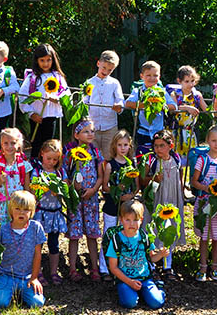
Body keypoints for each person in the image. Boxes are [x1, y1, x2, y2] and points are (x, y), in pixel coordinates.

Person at [105, 200, 168, 309]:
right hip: (125, 279)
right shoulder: (116, 240)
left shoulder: (144, 237)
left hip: (144, 278)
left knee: (157, 303)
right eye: (127, 220)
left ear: (141, 220)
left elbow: (152, 258)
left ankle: (155, 290)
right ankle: (131, 292)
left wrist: (161, 254)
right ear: (121, 219)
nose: (131, 224)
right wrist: (130, 282)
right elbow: (113, 267)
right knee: (130, 303)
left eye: (135, 220)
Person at [141, 129, 186, 281]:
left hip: (172, 198)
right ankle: (152, 266)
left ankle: (168, 266)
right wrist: (153, 179)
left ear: (170, 146)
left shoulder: (176, 159)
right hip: (156, 200)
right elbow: (142, 180)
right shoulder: (152, 161)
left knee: (169, 230)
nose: (158, 149)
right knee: (153, 228)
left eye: (162, 145)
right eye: (156, 146)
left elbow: (179, 177)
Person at [191, 125, 217, 282]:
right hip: (205, 202)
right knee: (204, 235)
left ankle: (214, 266)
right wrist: (207, 188)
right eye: (214, 140)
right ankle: (203, 266)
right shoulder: (202, 160)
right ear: (208, 141)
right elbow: (194, 182)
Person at [0, 190, 46, 309]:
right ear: (11, 210)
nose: (21, 212)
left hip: (26, 276)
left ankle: (21, 291)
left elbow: (37, 255)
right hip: (5, 274)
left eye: (26, 210)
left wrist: (34, 277)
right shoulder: (3, 230)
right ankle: (3, 291)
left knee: (37, 303)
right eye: (17, 209)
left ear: (32, 211)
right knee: (1, 303)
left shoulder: (35, 228)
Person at [63, 119, 103, 281]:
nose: (90, 134)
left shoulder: (95, 153)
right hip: (75, 200)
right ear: (76, 134)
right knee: (74, 234)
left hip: (91, 198)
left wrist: (93, 189)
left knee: (92, 234)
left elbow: (100, 176)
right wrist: (72, 188)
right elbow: (65, 173)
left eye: (92, 131)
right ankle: (72, 268)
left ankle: (94, 267)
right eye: (86, 131)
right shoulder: (70, 153)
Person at [98, 130, 137, 282]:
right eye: (119, 145)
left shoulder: (132, 164)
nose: (122, 148)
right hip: (112, 205)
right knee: (109, 234)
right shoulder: (110, 165)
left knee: (125, 235)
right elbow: (105, 186)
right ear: (114, 146)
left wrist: (131, 195)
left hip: (127, 207)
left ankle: (122, 266)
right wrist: (116, 191)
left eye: (125, 145)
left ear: (130, 146)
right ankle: (103, 267)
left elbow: (136, 186)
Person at [19, 43, 69, 159]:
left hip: (51, 116)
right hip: (37, 117)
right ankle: (35, 169)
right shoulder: (32, 77)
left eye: (48, 60)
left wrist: (58, 99)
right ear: (37, 61)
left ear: (53, 60)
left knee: (49, 145)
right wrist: (31, 113)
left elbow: (66, 93)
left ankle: (47, 168)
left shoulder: (57, 76)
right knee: (36, 145)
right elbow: (22, 96)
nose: (46, 64)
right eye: (42, 60)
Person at [32, 139, 68, 286]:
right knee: (38, 243)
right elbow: (33, 190)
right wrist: (43, 188)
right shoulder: (37, 171)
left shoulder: (60, 172)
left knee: (54, 243)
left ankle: (53, 272)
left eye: (55, 159)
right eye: (49, 158)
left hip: (55, 212)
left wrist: (59, 190)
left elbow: (66, 188)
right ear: (42, 154)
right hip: (41, 212)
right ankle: (37, 272)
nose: (51, 162)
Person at [125, 60, 176, 151]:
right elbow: (128, 103)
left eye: (155, 75)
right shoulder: (138, 91)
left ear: (159, 77)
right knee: (143, 157)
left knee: (159, 157)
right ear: (142, 76)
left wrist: (160, 105)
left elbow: (174, 106)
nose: (152, 78)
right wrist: (145, 105)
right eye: (148, 75)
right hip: (143, 132)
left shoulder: (162, 92)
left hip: (159, 133)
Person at [83, 50, 124, 161]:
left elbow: (120, 100)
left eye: (109, 70)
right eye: (103, 68)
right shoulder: (89, 82)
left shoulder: (114, 83)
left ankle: (108, 177)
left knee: (109, 156)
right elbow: (85, 101)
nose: (105, 71)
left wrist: (118, 106)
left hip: (109, 127)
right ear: (98, 64)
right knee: (91, 156)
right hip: (93, 127)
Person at [0, 128, 33, 224]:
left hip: (19, 207)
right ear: (1, 144)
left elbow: (27, 189)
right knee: (1, 234)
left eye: (13, 143)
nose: (9, 146)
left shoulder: (24, 165)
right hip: (1, 207)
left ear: (19, 144)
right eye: (6, 143)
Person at [168, 65, 208, 157]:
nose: (190, 84)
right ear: (179, 81)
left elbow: (207, 109)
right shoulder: (175, 94)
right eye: (187, 81)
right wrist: (187, 108)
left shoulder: (197, 95)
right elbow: (173, 109)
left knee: (192, 158)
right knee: (175, 159)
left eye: (192, 81)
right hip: (175, 132)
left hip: (190, 132)